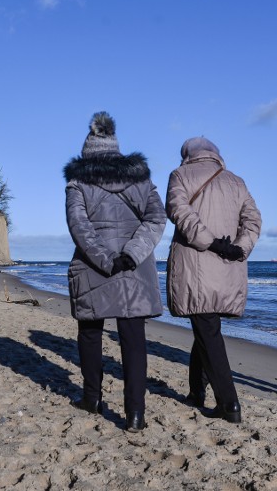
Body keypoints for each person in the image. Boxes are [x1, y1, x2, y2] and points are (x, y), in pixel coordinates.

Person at [64, 111, 166, 432]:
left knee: (91, 333)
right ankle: (135, 415)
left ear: (87, 150)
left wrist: (107, 259)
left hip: (94, 266)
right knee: (134, 340)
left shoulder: (78, 183)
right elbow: (157, 220)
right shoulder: (141, 179)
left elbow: (79, 226)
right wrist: (131, 255)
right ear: (116, 147)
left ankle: (92, 399)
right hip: (134, 269)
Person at [165, 136, 261, 423]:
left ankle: (229, 403)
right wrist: (239, 248)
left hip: (197, 264)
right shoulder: (236, 181)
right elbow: (253, 219)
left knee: (207, 331)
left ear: (187, 154)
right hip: (227, 265)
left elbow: (179, 212)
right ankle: (196, 393)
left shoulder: (179, 175)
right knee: (206, 327)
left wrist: (210, 242)